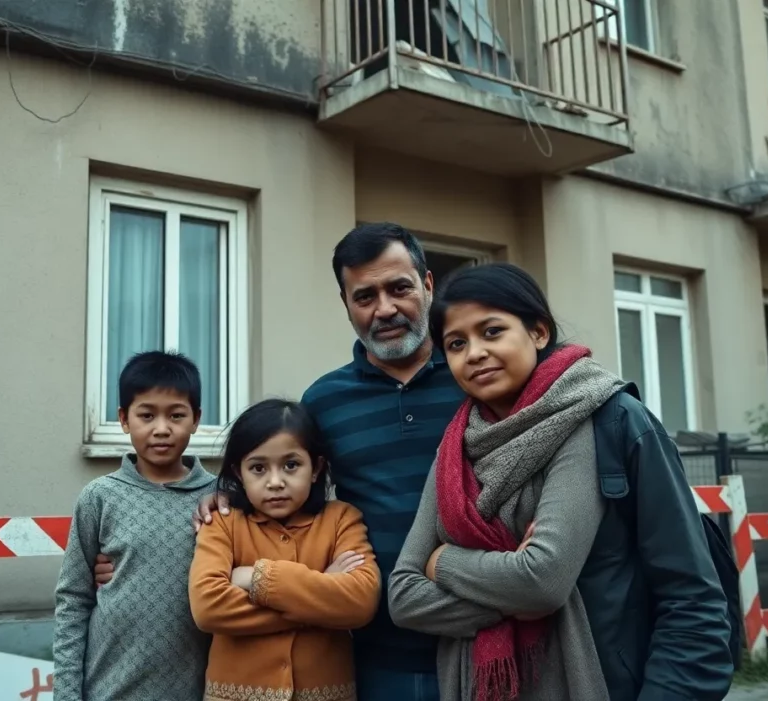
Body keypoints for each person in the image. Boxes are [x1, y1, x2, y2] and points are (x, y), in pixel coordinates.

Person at [97, 223, 464, 700]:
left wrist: (259, 579)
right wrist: (206, 504)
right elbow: (274, 465)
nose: (385, 309)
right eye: (365, 296)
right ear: (346, 304)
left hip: (474, 634)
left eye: (399, 288)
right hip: (372, 653)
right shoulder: (325, 401)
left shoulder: (472, 377)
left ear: (428, 284)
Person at [387, 263, 734, 700]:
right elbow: (402, 596)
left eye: (492, 331)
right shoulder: (455, 451)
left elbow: (545, 584)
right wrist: (517, 584)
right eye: (457, 343)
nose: (473, 352)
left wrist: (443, 564)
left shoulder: (605, 419)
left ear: (538, 333)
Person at [189, 398, 381, 701]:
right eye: (258, 468)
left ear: (316, 468)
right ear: (239, 473)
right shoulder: (223, 523)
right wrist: (321, 592)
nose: (275, 482)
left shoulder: (341, 519)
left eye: (291, 465)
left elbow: (361, 601)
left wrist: (254, 577)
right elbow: (208, 607)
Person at [53, 351, 216, 701]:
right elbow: (73, 599)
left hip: (197, 689)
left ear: (196, 419)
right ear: (124, 419)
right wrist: (66, 693)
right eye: (146, 415)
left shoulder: (220, 497)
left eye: (176, 415)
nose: (161, 428)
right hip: (110, 687)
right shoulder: (99, 497)